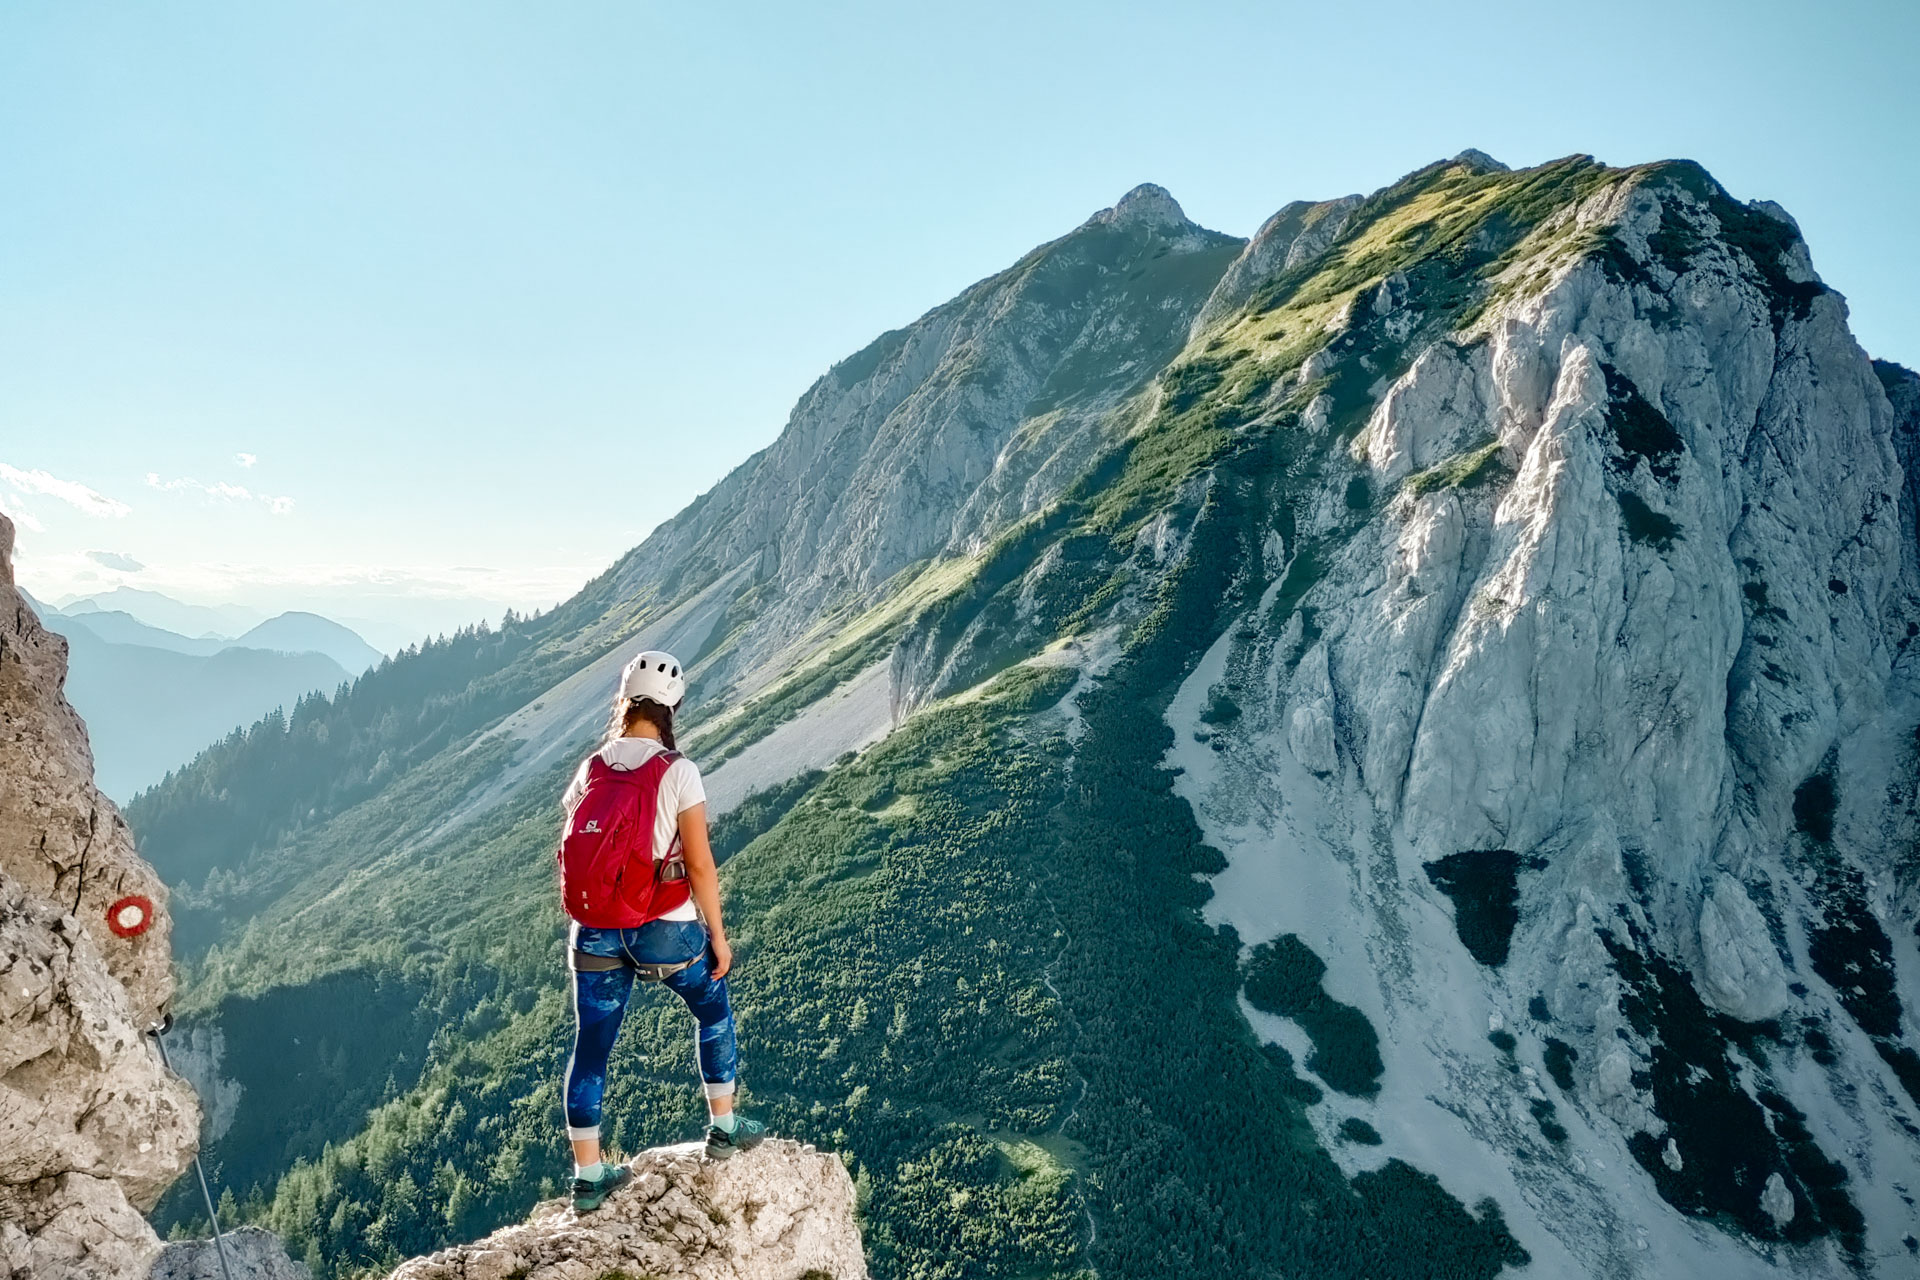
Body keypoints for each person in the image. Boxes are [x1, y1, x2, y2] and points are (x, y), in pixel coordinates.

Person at [559, 649, 765, 1213]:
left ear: (624, 702)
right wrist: (717, 937)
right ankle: (723, 1127)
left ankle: (588, 1176)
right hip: (662, 930)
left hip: (595, 930)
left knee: (591, 1050)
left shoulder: (592, 767)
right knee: (712, 1007)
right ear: (672, 707)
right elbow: (699, 864)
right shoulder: (679, 771)